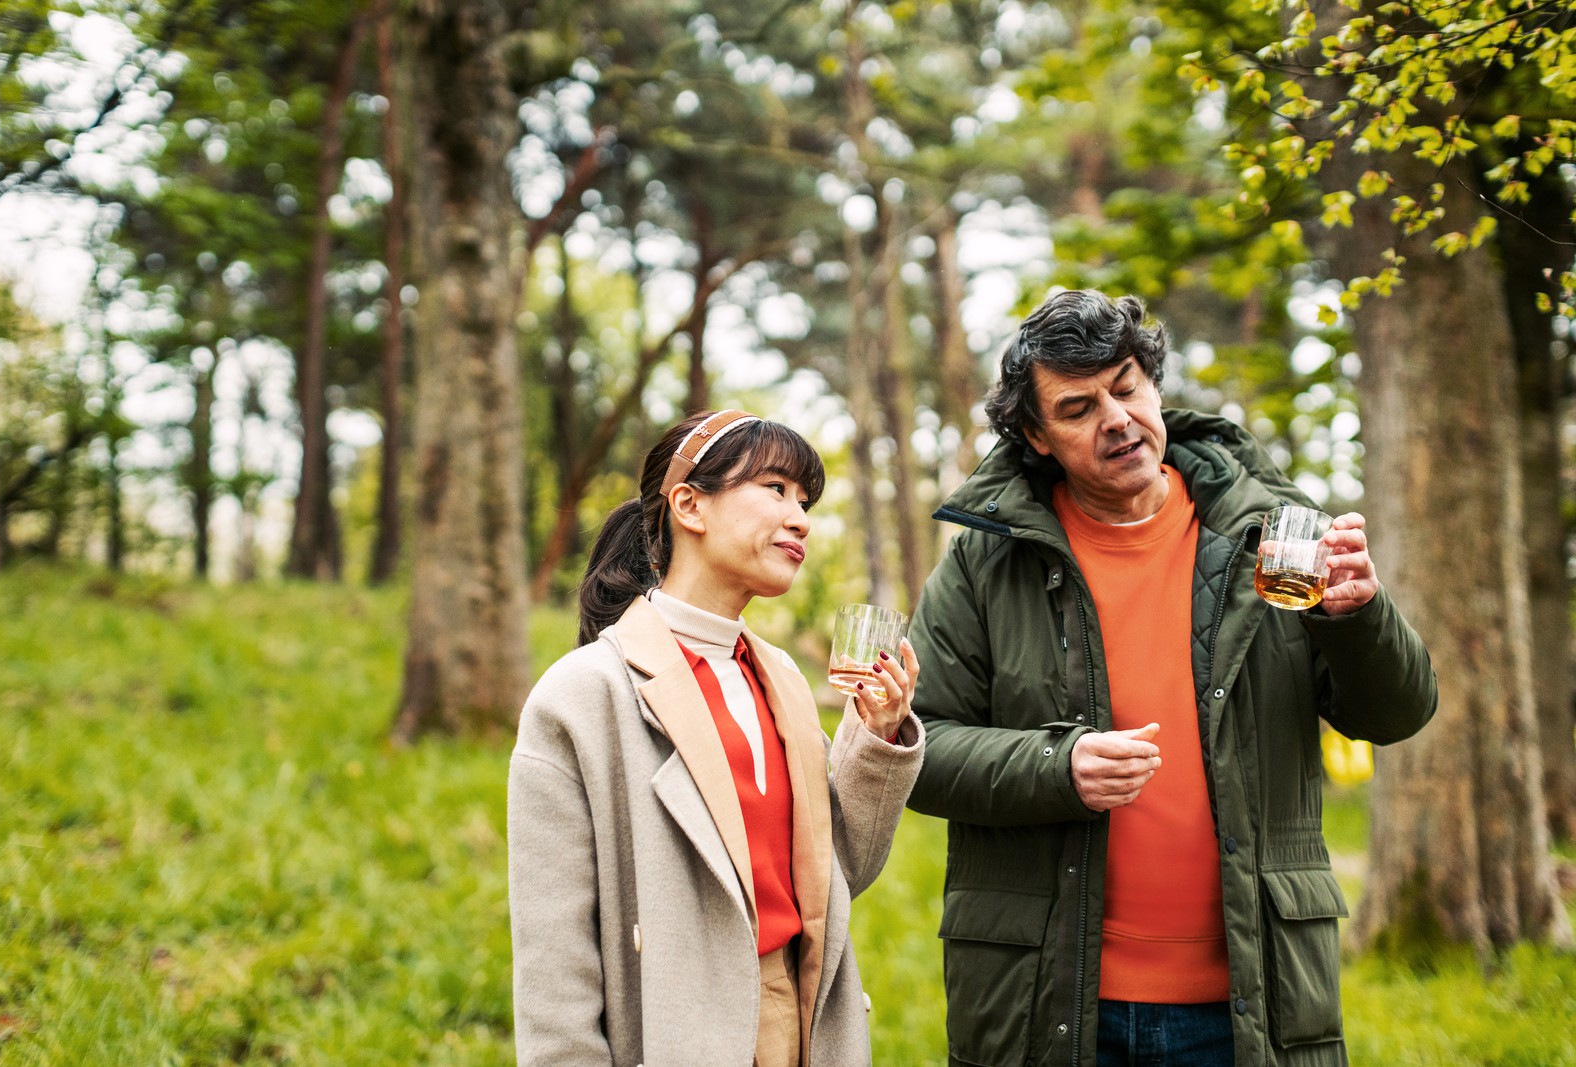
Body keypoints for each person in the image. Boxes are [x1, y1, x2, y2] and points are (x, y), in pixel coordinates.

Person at [905, 291, 1437, 1067]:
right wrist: (1058, 766)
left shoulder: (1273, 531)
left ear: (1154, 385)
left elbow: (1398, 712)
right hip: (1049, 1001)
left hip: (1249, 1004)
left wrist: (1357, 617)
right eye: (1079, 407)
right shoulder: (987, 561)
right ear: (1036, 435)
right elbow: (917, 746)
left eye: (1127, 386)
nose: (1117, 418)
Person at [509, 409, 925, 1067]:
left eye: (805, 499)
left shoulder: (781, 678)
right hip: (676, 1030)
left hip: (806, 1020)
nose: (801, 518)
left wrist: (874, 737)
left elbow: (836, 875)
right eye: (775, 489)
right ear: (689, 504)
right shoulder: (583, 695)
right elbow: (554, 964)